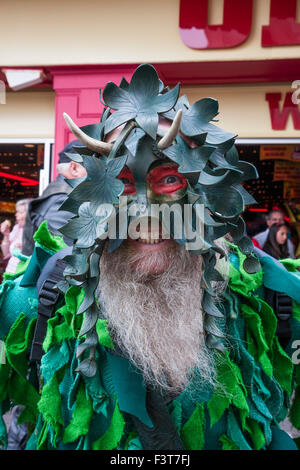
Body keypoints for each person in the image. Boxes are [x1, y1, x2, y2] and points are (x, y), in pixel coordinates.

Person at [0, 64, 299, 451]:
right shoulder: (34, 304)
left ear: (206, 192)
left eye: (169, 179)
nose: (144, 210)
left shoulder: (265, 298)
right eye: (123, 182)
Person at [21, 140, 87, 256]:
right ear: (74, 168)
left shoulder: (61, 197)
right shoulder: (65, 202)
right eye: (95, 165)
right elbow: (66, 262)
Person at [0, 199, 31, 273]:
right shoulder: (16, 228)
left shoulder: (35, 230)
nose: (16, 214)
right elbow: (6, 253)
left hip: (23, 273)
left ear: (29, 214)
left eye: (20, 212)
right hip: (10, 272)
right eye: (17, 211)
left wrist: (26, 248)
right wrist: (6, 235)